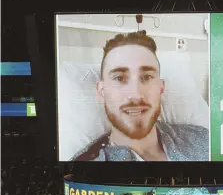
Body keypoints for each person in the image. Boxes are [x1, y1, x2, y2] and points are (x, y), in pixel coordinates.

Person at [73, 30, 209, 161]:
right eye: (120, 78)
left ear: (161, 88)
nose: (136, 95)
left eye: (147, 77)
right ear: (101, 91)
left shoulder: (204, 140)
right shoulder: (83, 171)